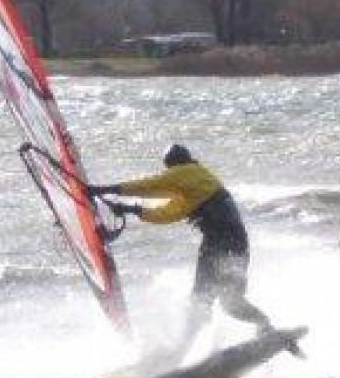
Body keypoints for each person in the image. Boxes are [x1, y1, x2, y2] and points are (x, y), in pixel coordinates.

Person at [91, 144, 301, 357]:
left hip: (218, 243)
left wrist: (106, 189)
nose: (169, 174)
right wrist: (131, 209)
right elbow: (169, 212)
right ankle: (263, 325)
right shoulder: (197, 185)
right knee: (230, 302)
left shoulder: (187, 172)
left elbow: (151, 185)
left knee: (201, 300)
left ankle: (182, 351)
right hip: (237, 243)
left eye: (169, 169)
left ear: (173, 165)